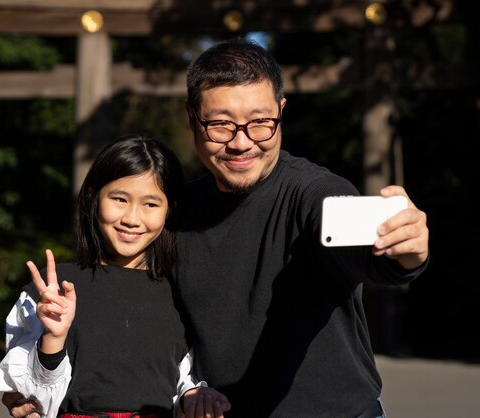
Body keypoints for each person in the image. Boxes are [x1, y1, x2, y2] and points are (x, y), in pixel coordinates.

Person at [171, 38, 429, 417]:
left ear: (281, 111)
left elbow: (357, 247)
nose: (242, 143)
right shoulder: (176, 213)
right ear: (193, 118)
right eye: (221, 125)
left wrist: (405, 254)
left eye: (261, 123)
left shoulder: (316, 193)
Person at [0, 135, 230, 418]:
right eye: (119, 199)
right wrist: (54, 338)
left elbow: (183, 380)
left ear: (170, 210)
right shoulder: (54, 292)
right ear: (94, 197)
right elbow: (32, 403)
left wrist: (194, 397)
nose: (132, 218)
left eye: (150, 204)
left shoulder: (180, 291)